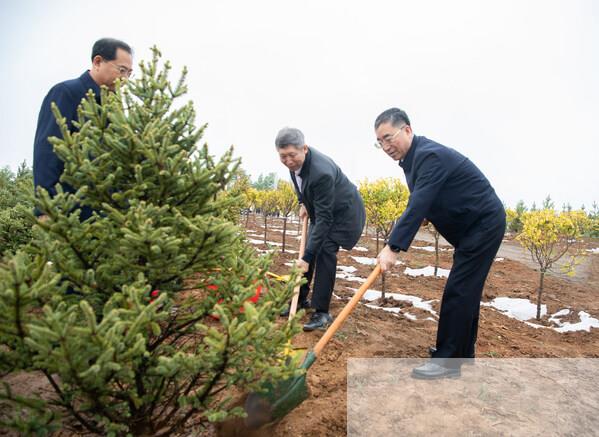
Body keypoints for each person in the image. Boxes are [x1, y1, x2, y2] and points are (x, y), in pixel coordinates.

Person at [374, 108, 505, 379]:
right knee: (465, 291)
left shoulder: (428, 156)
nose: (386, 146)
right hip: (474, 227)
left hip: (483, 224)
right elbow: (431, 198)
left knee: (459, 290)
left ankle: (448, 361)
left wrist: (393, 246)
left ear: (407, 130)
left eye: (389, 137)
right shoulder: (413, 160)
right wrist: (425, 216)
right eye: (380, 142)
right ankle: (461, 354)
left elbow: (419, 202)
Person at [276, 127, 366, 331]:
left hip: (344, 214)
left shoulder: (321, 172)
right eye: (283, 156)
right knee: (311, 248)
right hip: (324, 210)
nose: (288, 161)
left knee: (323, 250)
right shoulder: (294, 165)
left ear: (304, 149)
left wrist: (307, 258)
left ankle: (322, 312)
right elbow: (300, 184)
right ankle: (299, 300)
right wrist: (303, 202)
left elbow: (325, 219)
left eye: (292, 155)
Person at [33, 38, 133, 220]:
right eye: (121, 70)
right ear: (98, 62)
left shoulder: (114, 106)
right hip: (68, 212)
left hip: (107, 216)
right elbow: (47, 151)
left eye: (129, 73)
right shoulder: (66, 92)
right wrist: (45, 208)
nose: (125, 79)